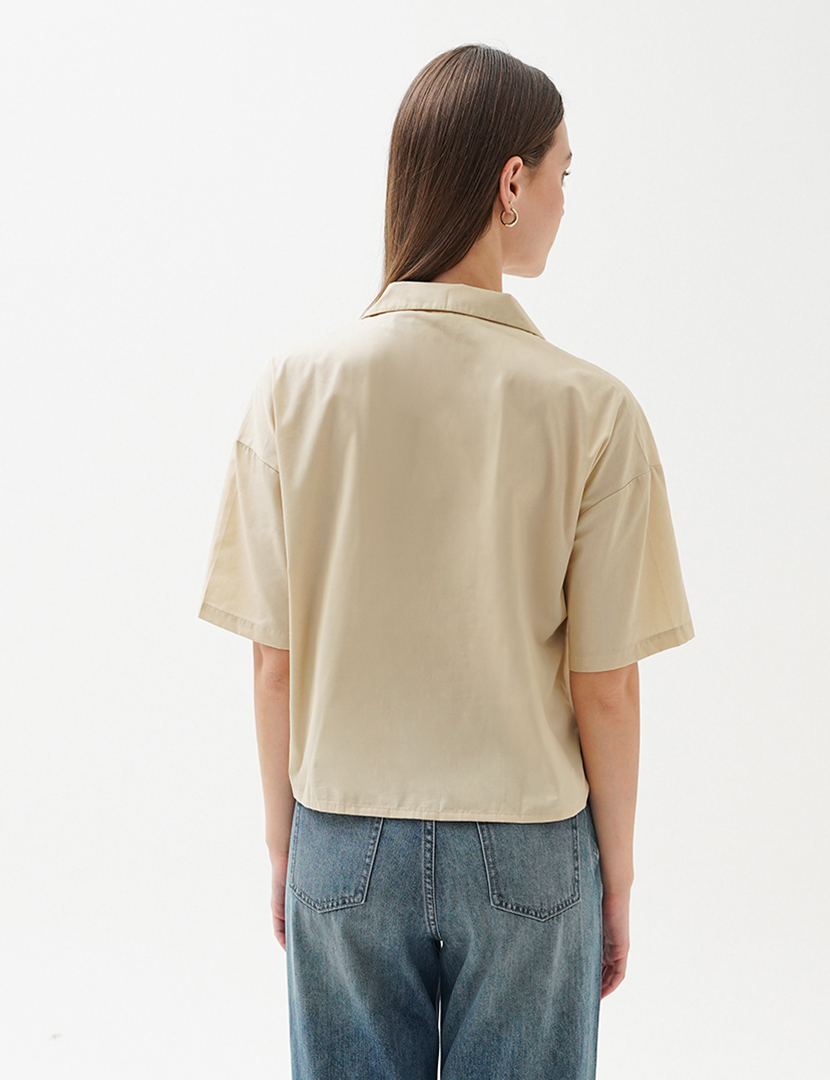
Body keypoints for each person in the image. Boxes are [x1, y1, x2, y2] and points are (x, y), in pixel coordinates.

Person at [197, 43, 694, 1080]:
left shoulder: (291, 389)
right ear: (511, 182)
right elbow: (604, 687)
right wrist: (618, 876)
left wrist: (286, 848)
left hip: (341, 837)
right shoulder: (593, 410)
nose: (565, 198)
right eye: (561, 171)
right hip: (528, 847)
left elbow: (273, 665)